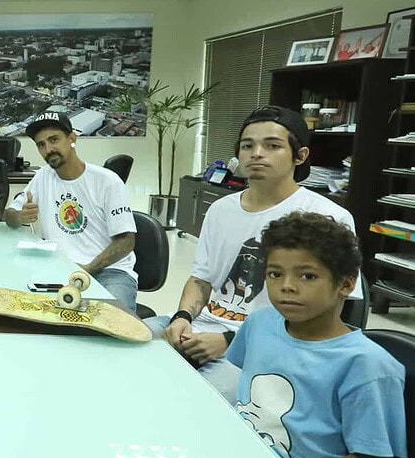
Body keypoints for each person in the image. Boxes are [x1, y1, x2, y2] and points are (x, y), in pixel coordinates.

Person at [152, 106, 360, 400]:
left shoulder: (326, 216)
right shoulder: (221, 209)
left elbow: (330, 311)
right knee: (122, 344)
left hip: (271, 344)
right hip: (204, 326)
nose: (256, 153)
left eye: (272, 145)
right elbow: (201, 279)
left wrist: (231, 341)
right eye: (247, 146)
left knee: (198, 399)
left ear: (300, 156)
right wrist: (181, 318)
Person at [227, 211, 405, 458]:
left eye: (307, 275)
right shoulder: (260, 324)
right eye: (275, 274)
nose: (286, 285)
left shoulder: (368, 367)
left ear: (346, 284)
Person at [4, 113, 138, 313]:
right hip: (59, 269)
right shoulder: (42, 177)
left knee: (116, 323)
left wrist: (87, 269)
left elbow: (126, 241)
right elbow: (9, 215)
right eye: (41, 145)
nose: (48, 149)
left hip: (110, 271)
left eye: (54, 140)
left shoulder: (106, 181)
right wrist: (20, 216)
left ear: (72, 139)